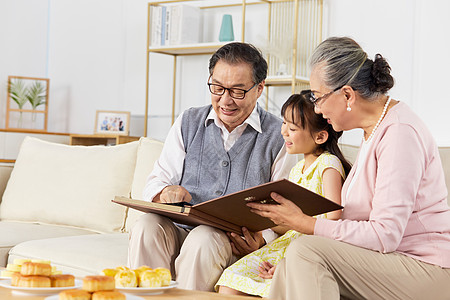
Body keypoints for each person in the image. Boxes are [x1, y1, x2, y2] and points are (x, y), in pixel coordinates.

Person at [246, 37, 450, 300]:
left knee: (306, 250)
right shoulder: (373, 130)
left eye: (318, 97)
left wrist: (305, 223)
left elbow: (385, 235)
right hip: (388, 261)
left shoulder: (399, 134)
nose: (317, 109)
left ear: (347, 94)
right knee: (294, 260)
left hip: (425, 268)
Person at [127, 42, 298, 291]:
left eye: (237, 91)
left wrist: (262, 242)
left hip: (226, 241)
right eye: (217, 88)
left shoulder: (280, 134)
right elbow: (155, 181)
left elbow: (284, 211)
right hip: (179, 229)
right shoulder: (189, 121)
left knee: (204, 239)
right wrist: (165, 192)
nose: (225, 100)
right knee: (145, 227)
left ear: (259, 88)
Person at [216, 91, 352, 297]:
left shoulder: (328, 164)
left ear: (320, 136)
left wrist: (299, 225)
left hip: (309, 246)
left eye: (293, 128)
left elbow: (334, 216)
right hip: (286, 243)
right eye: (284, 124)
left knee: (268, 287)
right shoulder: (297, 170)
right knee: (230, 279)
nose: (284, 132)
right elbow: (286, 222)